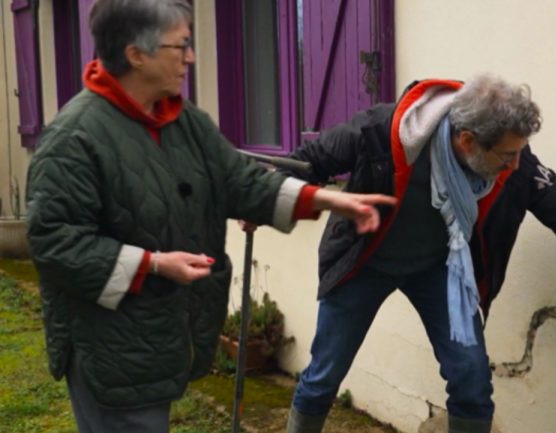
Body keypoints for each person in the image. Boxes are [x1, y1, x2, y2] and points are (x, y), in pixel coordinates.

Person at [24, 1, 395, 432]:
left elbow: (238, 181)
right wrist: (155, 264)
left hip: (157, 336)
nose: (191, 56)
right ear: (135, 53)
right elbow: (54, 242)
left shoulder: (183, 121)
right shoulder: (73, 139)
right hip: (109, 346)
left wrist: (331, 201)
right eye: (180, 45)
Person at [281, 75, 556, 433]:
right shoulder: (380, 132)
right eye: (507, 155)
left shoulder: (515, 163)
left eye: (521, 152)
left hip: (441, 269)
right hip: (364, 262)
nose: (516, 166)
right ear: (468, 141)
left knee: (471, 379)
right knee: (324, 375)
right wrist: (267, 202)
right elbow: (304, 163)